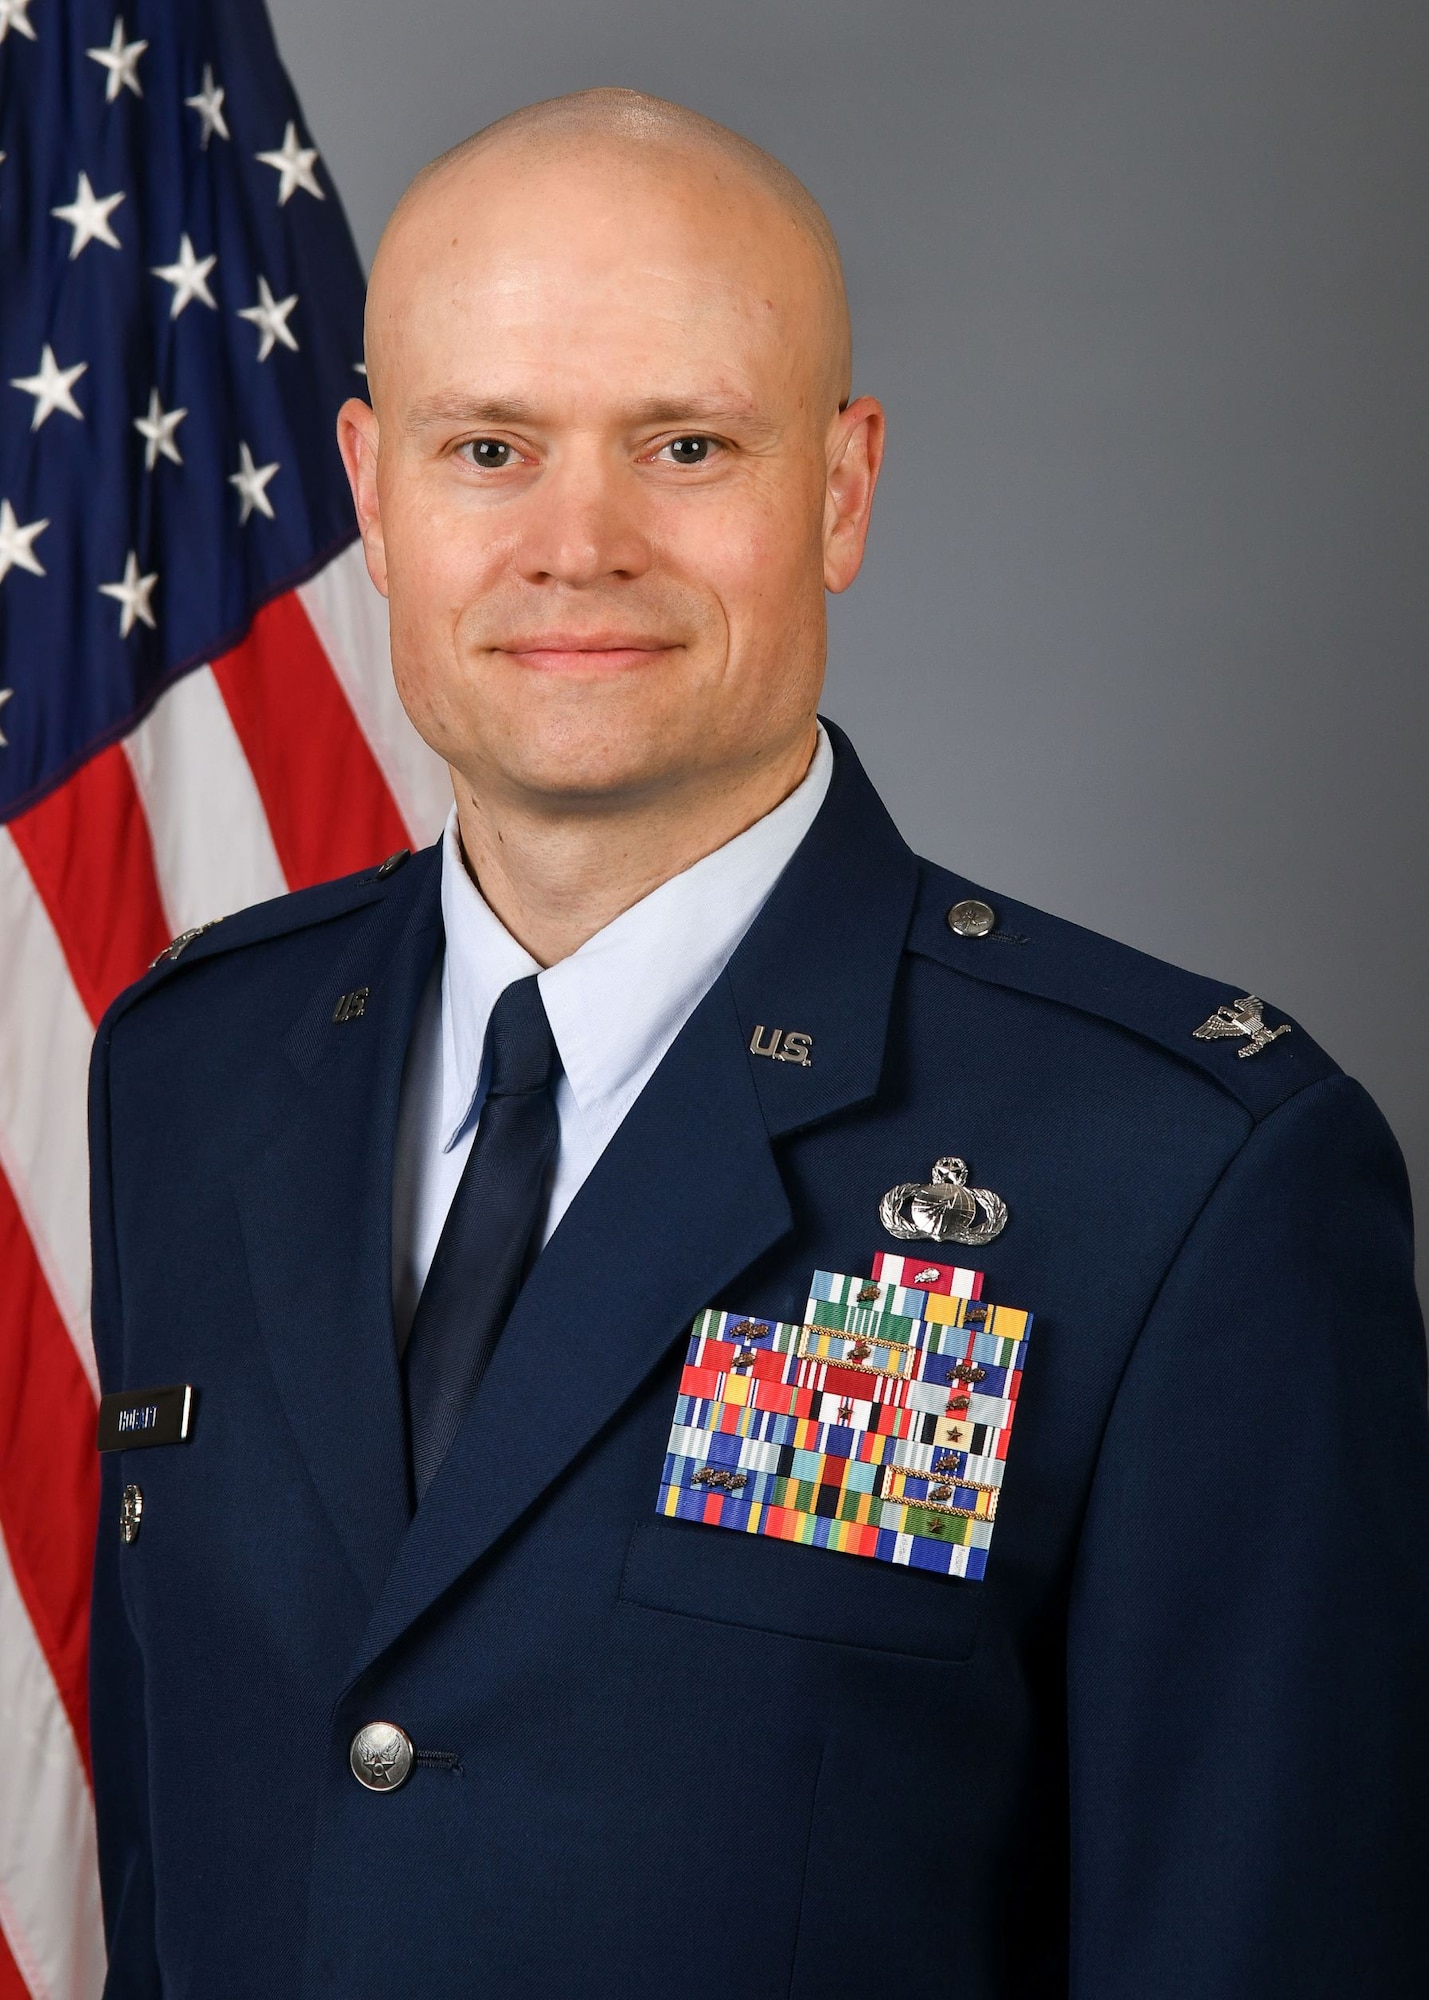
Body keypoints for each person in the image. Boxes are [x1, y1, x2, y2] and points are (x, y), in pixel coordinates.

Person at [88, 89, 1429, 2000]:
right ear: (373, 496)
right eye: (489, 450)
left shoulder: (1178, 1174)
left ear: (841, 490)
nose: (578, 547)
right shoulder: (189, 1068)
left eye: (687, 445)